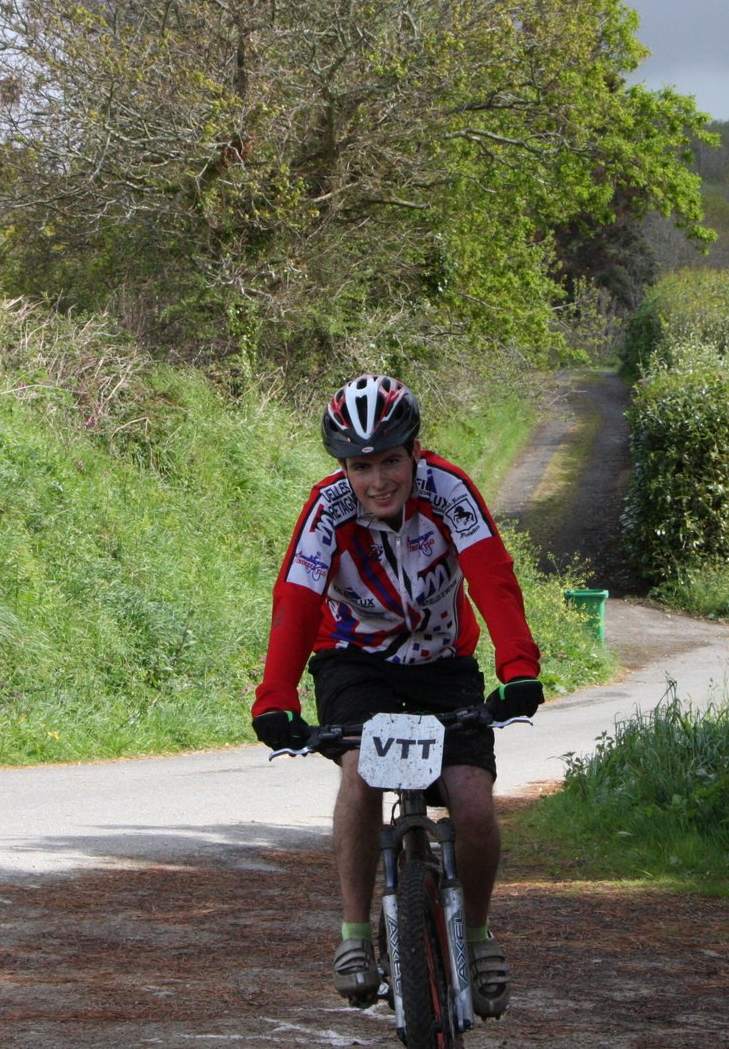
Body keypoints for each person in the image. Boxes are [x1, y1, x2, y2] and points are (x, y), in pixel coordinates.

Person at [250, 373, 545, 1019]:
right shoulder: (326, 510)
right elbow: (295, 600)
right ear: (343, 468)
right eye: (360, 466)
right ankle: (356, 935)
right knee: (360, 772)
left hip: (442, 662)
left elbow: (492, 575)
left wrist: (518, 667)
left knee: (472, 801)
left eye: (390, 461)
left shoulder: (449, 491)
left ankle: (477, 935)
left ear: (414, 451)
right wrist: (276, 699)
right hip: (355, 660)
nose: (378, 480)